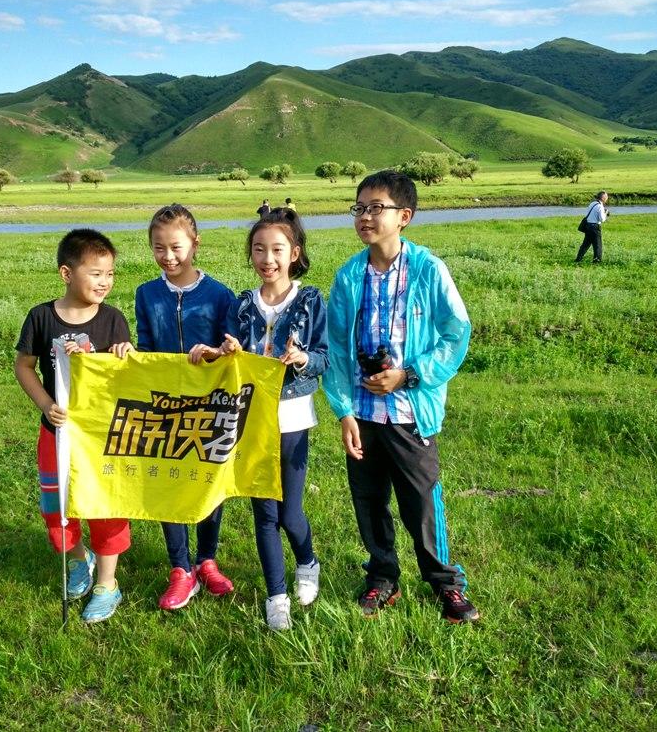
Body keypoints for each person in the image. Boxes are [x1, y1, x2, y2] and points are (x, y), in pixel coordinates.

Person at [323, 169, 479, 624]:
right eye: (359, 208)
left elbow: (456, 333)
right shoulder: (349, 276)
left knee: (422, 502)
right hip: (363, 412)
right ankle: (382, 577)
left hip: (410, 410)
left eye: (376, 208)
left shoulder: (428, 269)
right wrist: (343, 411)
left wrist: (409, 375)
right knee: (369, 501)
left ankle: (446, 584)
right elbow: (336, 349)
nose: (365, 217)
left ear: (404, 216)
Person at [196, 208, 328, 630]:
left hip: (292, 419)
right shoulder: (242, 304)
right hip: (251, 419)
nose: (267, 259)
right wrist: (226, 351)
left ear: (295, 253)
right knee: (264, 514)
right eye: (258, 249)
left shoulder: (310, 300)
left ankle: (307, 562)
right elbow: (229, 355)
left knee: (290, 513)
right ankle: (276, 597)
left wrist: (302, 358)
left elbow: (323, 357)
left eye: (277, 250)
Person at [14, 228, 134, 624]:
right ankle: (79, 560)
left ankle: (107, 583)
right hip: (57, 434)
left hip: (102, 437)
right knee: (57, 506)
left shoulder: (113, 320)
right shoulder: (41, 317)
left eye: (110, 274)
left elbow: (123, 380)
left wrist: (126, 356)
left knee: (106, 505)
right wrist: (46, 404)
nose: (105, 282)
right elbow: (24, 366)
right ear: (67, 274)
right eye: (95, 273)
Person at [134, 204, 239, 611]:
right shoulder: (146, 293)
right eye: (158, 248)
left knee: (208, 481)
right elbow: (146, 347)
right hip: (164, 406)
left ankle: (206, 560)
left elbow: (231, 352)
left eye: (176, 247)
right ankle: (180, 568)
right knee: (170, 481)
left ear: (195, 244)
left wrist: (216, 352)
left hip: (210, 407)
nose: (168, 256)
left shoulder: (220, 295)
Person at [575, 190, 608, 264]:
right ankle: (597, 262)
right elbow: (602, 219)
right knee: (598, 245)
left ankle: (578, 259)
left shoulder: (592, 203)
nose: (607, 198)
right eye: (606, 197)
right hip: (595, 227)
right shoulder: (600, 206)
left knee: (585, 244)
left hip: (588, 226)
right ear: (603, 198)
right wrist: (605, 213)